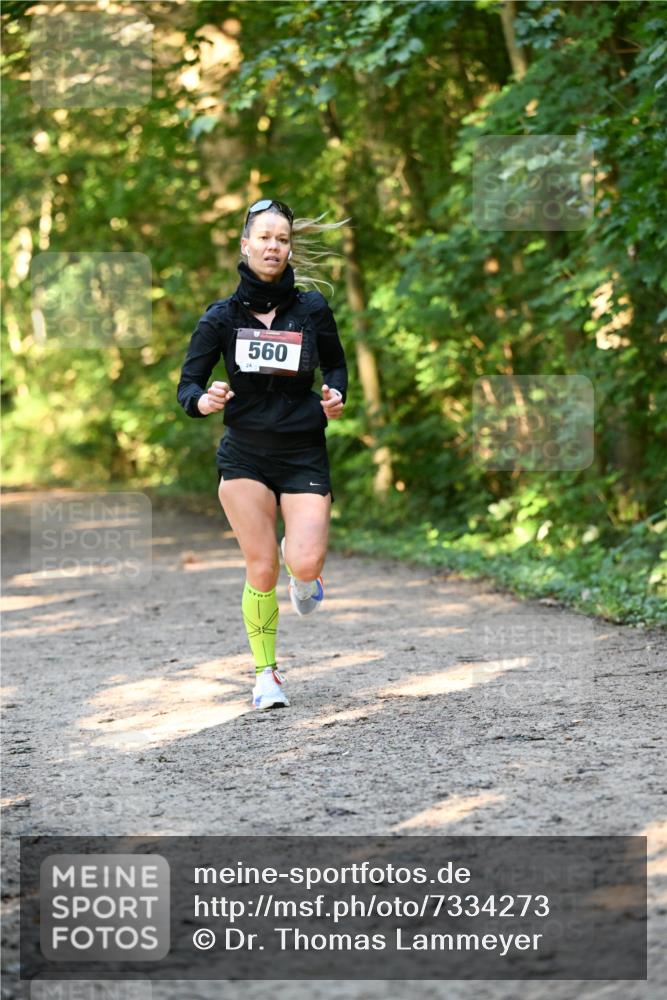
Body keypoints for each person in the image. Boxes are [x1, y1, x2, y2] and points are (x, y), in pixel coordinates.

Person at [177, 198, 348, 710]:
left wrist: (336, 396)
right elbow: (188, 385)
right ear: (245, 244)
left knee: (304, 561)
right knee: (262, 565)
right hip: (245, 454)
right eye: (265, 238)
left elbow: (336, 368)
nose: (275, 247)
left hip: (302, 451)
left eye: (283, 239)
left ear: (289, 248)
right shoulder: (220, 319)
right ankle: (265, 676)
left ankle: (308, 577)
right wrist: (203, 400)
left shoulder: (312, 309)